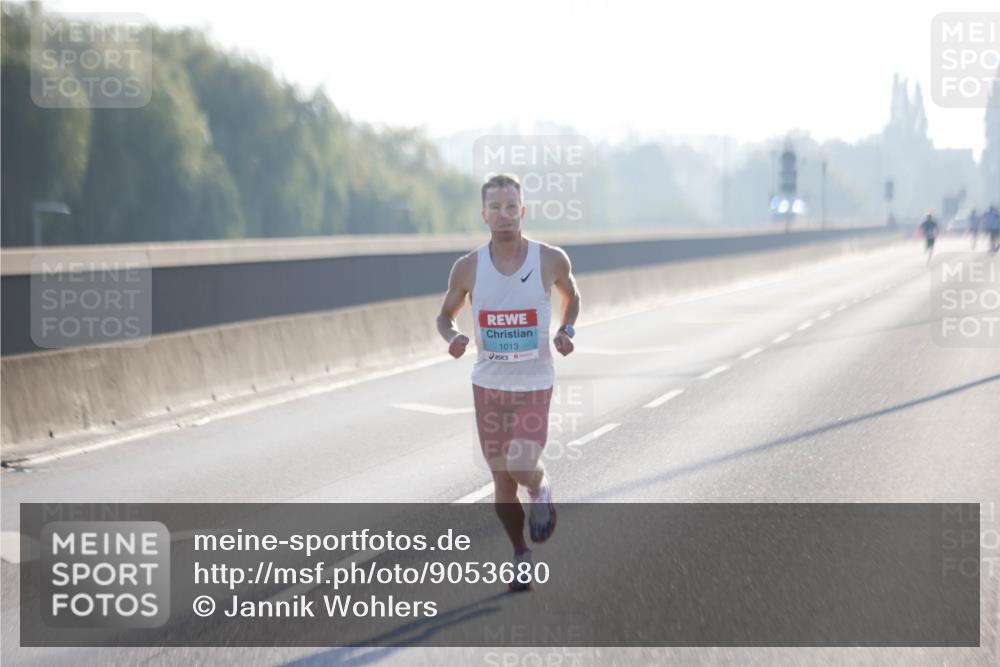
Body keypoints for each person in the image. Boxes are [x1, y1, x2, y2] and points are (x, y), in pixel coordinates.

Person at [436, 173, 580, 592]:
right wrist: (453, 337)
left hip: (534, 382)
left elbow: (572, 296)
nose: (504, 215)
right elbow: (444, 315)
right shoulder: (468, 267)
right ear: (484, 215)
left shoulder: (550, 259)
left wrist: (566, 331)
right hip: (489, 386)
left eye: (511, 207)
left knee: (520, 465)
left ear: (523, 210)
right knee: (500, 482)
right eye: (495, 208)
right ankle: (520, 553)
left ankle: (541, 487)